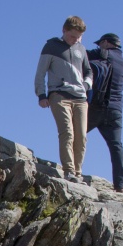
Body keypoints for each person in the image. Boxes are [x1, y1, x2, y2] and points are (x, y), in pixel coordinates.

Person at [34, 16, 94, 181]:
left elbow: (88, 71)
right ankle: (69, 171)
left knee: (81, 136)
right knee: (67, 132)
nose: (75, 40)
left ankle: (78, 171)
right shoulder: (51, 46)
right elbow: (40, 73)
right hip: (59, 95)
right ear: (64, 30)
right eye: (72, 36)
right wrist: (41, 95)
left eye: (79, 37)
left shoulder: (80, 49)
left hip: (80, 98)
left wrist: (87, 85)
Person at [86, 32, 123, 193]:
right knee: (116, 145)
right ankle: (121, 185)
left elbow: (80, 54)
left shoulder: (103, 54)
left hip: (97, 107)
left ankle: (72, 172)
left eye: (100, 44)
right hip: (116, 109)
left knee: (74, 135)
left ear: (105, 42)